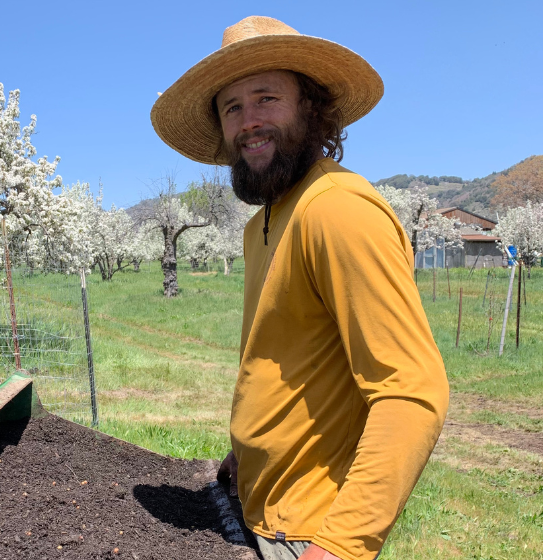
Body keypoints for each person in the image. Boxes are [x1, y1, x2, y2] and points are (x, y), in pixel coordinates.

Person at [150, 16, 449, 560]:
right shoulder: (264, 223)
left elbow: (412, 392)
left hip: (308, 531)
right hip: (261, 507)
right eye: (232, 107)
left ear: (310, 107)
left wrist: (339, 548)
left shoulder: (336, 210)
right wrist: (246, 453)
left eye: (266, 98)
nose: (248, 122)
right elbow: (288, 355)